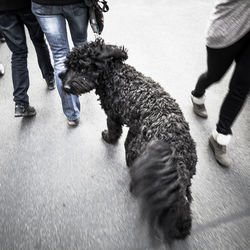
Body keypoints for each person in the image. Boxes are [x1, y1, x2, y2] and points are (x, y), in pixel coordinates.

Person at [191, 0, 250, 167]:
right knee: (214, 76)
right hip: (228, 28)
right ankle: (197, 95)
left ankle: (220, 136)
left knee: (242, 87)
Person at [31, 0, 89, 126]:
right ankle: (88, 83)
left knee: (60, 57)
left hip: (44, 4)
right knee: (82, 46)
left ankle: (72, 114)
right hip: (75, 3)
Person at [0, 0, 55, 118]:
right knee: (39, 41)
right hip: (27, 5)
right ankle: (49, 77)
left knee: (18, 53)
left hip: (3, 9)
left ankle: (20, 103)